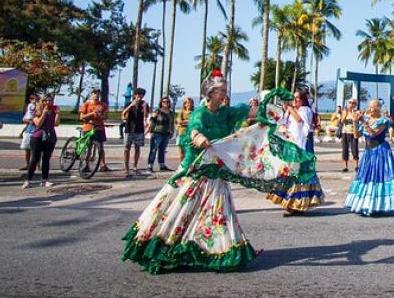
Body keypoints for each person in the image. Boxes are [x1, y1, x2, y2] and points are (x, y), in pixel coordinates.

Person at [122, 71, 316, 273]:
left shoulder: (226, 112)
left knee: (219, 213)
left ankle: (225, 250)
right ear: (210, 92)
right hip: (195, 171)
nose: (224, 94)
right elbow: (194, 129)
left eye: (225, 90)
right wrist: (198, 138)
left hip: (216, 173)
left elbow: (253, 113)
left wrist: (276, 103)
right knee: (180, 213)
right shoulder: (200, 112)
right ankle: (167, 247)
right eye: (220, 91)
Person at [344, 99, 394, 215]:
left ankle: (382, 204)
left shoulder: (384, 121)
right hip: (369, 152)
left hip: (380, 151)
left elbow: (373, 133)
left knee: (381, 177)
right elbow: (356, 135)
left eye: (373, 107)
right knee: (368, 178)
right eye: (370, 107)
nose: (370, 109)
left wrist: (363, 121)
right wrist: (355, 122)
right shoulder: (368, 119)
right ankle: (367, 204)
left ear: (379, 108)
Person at [267, 88, 324, 215]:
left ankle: (295, 204)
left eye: (297, 98)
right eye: (293, 98)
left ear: (302, 100)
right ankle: (293, 203)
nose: (294, 100)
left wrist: (290, 108)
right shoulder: (290, 111)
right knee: (290, 174)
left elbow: (300, 121)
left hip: (301, 146)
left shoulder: (305, 110)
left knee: (299, 174)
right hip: (291, 145)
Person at [23, 96, 59, 188]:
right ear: (42, 102)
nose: (48, 102)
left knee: (46, 159)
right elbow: (38, 124)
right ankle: (28, 180)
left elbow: (56, 124)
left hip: (50, 137)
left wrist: (58, 114)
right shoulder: (37, 112)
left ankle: (44, 180)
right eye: (45, 100)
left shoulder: (53, 111)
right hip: (38, 137)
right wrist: (44, 113)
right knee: (35, 158)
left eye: (50, 101)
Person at [79, 89, 112, 172]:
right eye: (94, 93)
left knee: (100, 147)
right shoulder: (86, 104)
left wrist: (100, 115)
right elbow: (81, 117)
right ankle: (86, 165)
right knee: (88, 147)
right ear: (92, 94)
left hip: (99, 127)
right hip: (88, 128)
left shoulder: (103, 105)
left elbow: (105, 116)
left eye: (98, 94)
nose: (96, 95)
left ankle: (103, 165)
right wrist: (92, 114)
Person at [121, 88, 149, 178]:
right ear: (135, 95)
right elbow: (123, 113)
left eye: (141, 95)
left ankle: (135, 166)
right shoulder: (129, 103)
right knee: (127, 148)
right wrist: (131, 105)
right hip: (129, 128)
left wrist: (144, 107)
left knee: (137, 148)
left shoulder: (144, 104)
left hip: (139, 129)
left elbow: (146, 116)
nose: (139, 97)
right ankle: (126, 168)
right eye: (138, 95)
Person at [145, 96, 175, 172]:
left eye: (167, 102)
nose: (166, 103)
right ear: (161, 103)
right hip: (157, 133)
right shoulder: (158, 111)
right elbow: (152, 121)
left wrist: (172, 131)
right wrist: (150, 131)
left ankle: (162, 165)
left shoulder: (170, 113)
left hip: (166, 133)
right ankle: (150, 166)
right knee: (153, 149)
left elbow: (171, 123)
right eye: (164, 102)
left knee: (162, 150)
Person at [339, 98, 361, 172]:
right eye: (350, 102)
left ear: (355, 104)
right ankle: (345, 166)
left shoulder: (357, 112)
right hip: (345, 132)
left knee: (355, 150)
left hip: (354, 133)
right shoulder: (345, 111)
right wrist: (346, 113)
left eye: (353, 103)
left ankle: (356, 166)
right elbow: (342, 121)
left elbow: (358, 121)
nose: (351, 104)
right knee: (345, 150)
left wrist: (352, 113)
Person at [19, 94, 38, 170]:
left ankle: (36, 165)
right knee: (27, 149)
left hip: (36, 131)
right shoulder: (30, 107)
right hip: (29, 131)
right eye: (33, 99)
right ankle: (28, 165)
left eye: (36, 99)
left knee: (35, 150)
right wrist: (22, 132)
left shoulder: (38, 107)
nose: (35, 101)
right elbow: (25, 121)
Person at [175, 97, 195, 163]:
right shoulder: (181, 113)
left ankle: (188, 166)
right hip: (181, 134)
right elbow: (179, 121)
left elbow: (194, 122)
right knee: (181, 153)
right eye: (188, 103)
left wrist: (184, 121)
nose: (189, 104)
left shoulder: (194, 113)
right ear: (185, 104)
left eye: (191, 103)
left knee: (189, 152)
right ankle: (182, 165)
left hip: (190, 135)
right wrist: (188, 121)